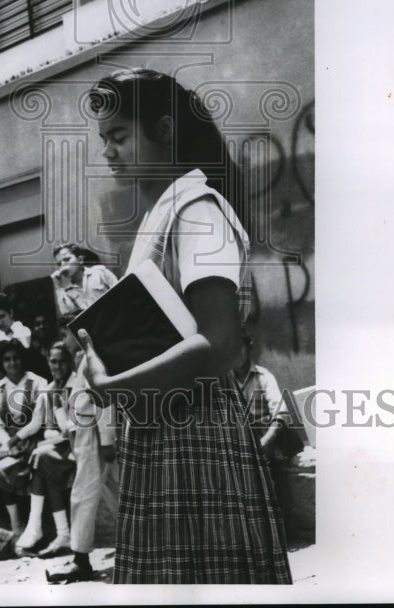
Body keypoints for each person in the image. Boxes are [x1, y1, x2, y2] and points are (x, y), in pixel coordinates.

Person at [78, 69, 291, 584]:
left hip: (194, 435)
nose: (108, 151)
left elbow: (218, 345)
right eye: (104, 139)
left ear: (165, 129)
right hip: (163, 431)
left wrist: (111, 383)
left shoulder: (197, 209)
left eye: (121, 136)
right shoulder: (162, 211)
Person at [46, 328, 120, 584]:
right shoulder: (82, 361)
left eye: (65, 333)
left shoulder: (90, 360)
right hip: (85, 433)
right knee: (116, 491)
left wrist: (107, 440)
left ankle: (80, 558)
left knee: (82, 495)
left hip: (94, 435)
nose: (64, 339)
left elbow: (103, 398)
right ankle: (141, 543)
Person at [233, 329, 302, 537]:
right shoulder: (224, 380)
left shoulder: (263, 377)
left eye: (240, 347)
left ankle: (281, 529)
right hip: (244, 439)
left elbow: (280, 414)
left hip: (268, 438)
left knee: (271, 474)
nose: (236, 354)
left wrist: (265, 442)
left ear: (248, 347)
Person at [11, 341, 77, 556]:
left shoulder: (76, 386)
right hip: (58, 448)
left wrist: (52, 437)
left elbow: (73, 429)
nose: (56, 366)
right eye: (52, 361)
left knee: (40, 456)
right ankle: (57, 532)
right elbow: (36, 423)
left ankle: (38, 527)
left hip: (77, 447)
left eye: (61, 362)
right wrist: (13, 440)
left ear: (69, 363)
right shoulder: (48, 390)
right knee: (42, 461)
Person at [0, 340, 47, 544]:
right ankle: (13, 527)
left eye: (15, 357)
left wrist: (17, 440)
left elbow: (37, 421)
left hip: (32, 442)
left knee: (2, 469)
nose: (12, 363)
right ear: (1, 364)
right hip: (7, 445)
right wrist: (8, 445)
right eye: (6, 359)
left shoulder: (37, 382)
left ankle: (25, 529)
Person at [50, 244, 117, 319]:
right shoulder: (68, 292)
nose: (63, 265)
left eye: (67, 259)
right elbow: (67, 313)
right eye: (59, 264)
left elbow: (120, 293)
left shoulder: (100, 272)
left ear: (80, 260)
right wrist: (58, 287)